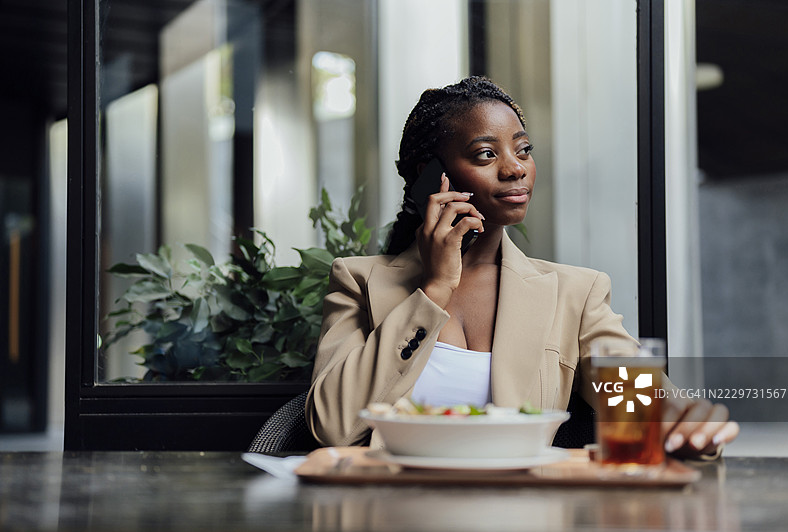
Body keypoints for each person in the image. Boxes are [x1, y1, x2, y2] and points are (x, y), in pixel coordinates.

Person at [305, 76, 738, 458]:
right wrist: (434, 289)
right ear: (430, 175)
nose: (515, 169)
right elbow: (334, 426)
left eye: (523, 149)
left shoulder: (574, 293)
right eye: (485, 154)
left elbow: (646, 408)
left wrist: (688, 425)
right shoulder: (358, 281)